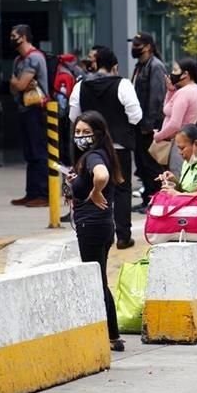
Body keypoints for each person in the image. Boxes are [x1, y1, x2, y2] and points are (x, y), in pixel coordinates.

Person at [69, 46, 142, 249]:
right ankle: (123, 235)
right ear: (115, 66)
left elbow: (73, 116)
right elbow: (136, 116)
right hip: (118, 146)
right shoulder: (123, 85)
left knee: (91, 186)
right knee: (121, 188)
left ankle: (93, 228)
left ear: (94, 64)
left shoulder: (80, 86)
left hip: (89, 149)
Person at [67, 111, 125, 352]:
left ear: (98, 134)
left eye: (86, 132)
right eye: (77, 132)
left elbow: (101, 175)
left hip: (91, 226)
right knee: (99, 278)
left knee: (96, 281)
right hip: (101, 226)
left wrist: (95, 191)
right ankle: (112, 335)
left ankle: (111, 335)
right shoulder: (97, 156)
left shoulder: (94, 156)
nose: (80, 136)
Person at [8, 24, 49, 207]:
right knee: (30, 153)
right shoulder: (18, 60)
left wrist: (17, 83)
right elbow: (13, 86)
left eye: (14, 35)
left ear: (24, 37)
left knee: (38, 151)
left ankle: (43, 193)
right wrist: (17, 83)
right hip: (24, 109)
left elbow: (20, 85)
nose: (12, 38)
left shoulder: (34, 58)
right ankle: (31, 192)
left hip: (37, 110)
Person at [130, 32, 168, 211]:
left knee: (152, 165)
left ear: (148, 47)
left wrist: (149, 125)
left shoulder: (156, 66)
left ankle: (157, 200)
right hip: (138, 125)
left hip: (150, 127)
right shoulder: (140, 66)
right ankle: (147, 200)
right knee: (142, 165)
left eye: (138, 44)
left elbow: (156, 98)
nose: (134, 48)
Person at [154, 58, 197, 178]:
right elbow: (168, 108)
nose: (172, 72)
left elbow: (174, 124)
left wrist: (158, 136)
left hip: (180, 144)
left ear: (185, 74)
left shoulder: (183, 93)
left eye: (175, 70)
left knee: (177, 178)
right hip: (191, 141)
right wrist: (171, 90)